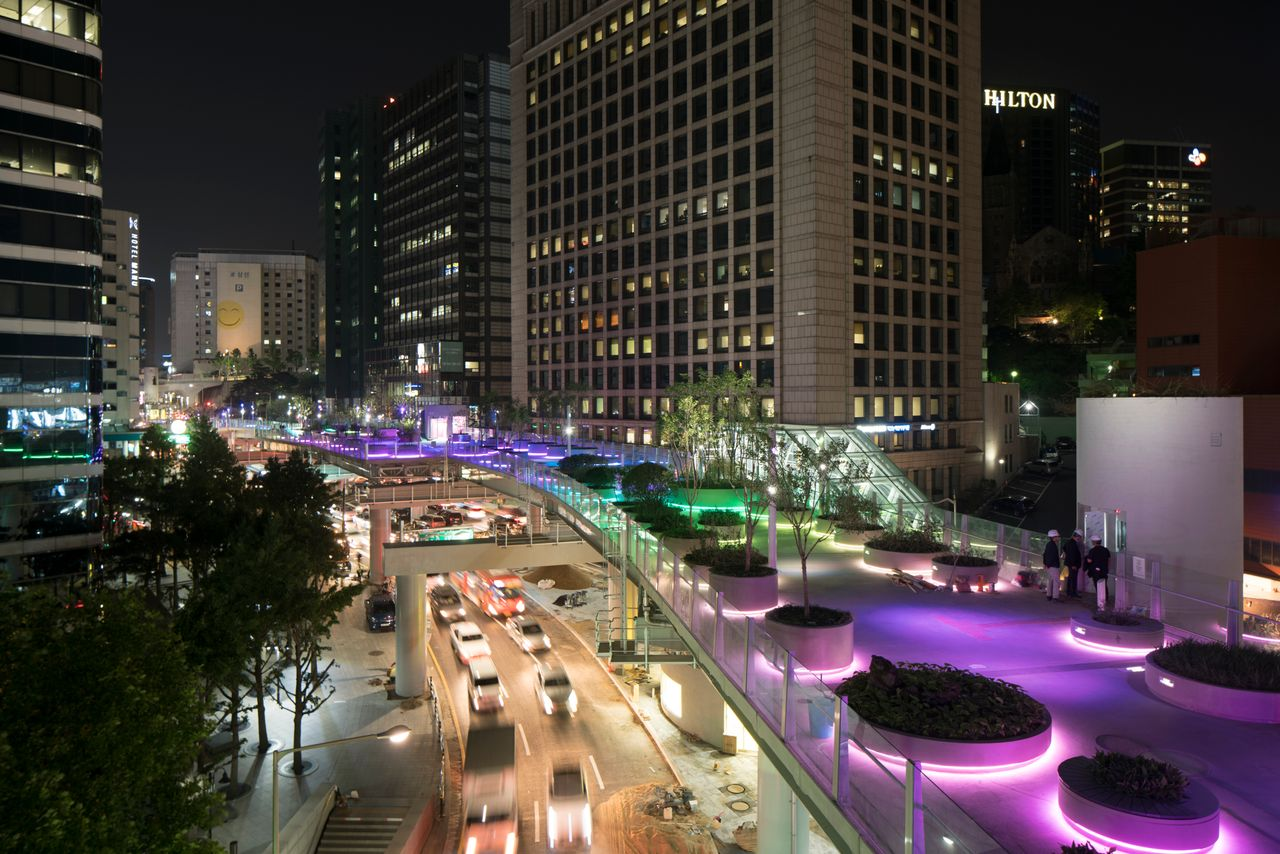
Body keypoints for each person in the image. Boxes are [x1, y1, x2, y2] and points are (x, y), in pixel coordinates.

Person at [1085, 534, 1111, 610]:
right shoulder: (1106, 550)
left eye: (1092, 541)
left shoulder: (1092, 551)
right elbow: (1109, 560)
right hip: (1104, 570)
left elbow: (1089, 560)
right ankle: (1106, 599)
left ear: (1094, 542)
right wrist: (1106, 568)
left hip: (1095, 571)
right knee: (1104, 584)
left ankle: (1100, 601)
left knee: (1098, 585)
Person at [1063, 529, 1084, 599]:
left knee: (1071, 578)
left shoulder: (1069, 542)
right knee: (1073, 578)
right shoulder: (1073, 544)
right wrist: (1073, 565)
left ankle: (1070, 593)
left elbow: (1064, 549)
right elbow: (1072, 555)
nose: (1080, 539)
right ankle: (1072, 593)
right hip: (1073, 565)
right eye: (1080, 537)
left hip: (1071, 564)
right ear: (1077, 536)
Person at [1042, 529, 1062, 601]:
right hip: (1054, 566)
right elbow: (1053, 557)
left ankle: (1049, 595)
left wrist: (1045, 564)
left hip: (1049, 566)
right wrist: (1049, 564)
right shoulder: (1053, 546)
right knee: (1056, 582)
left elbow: (1044, 554)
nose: (1058, 538)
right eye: (1057, 536)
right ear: (1054, 537)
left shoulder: (1048, 544)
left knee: (1050, 581)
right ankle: (1055, 597)